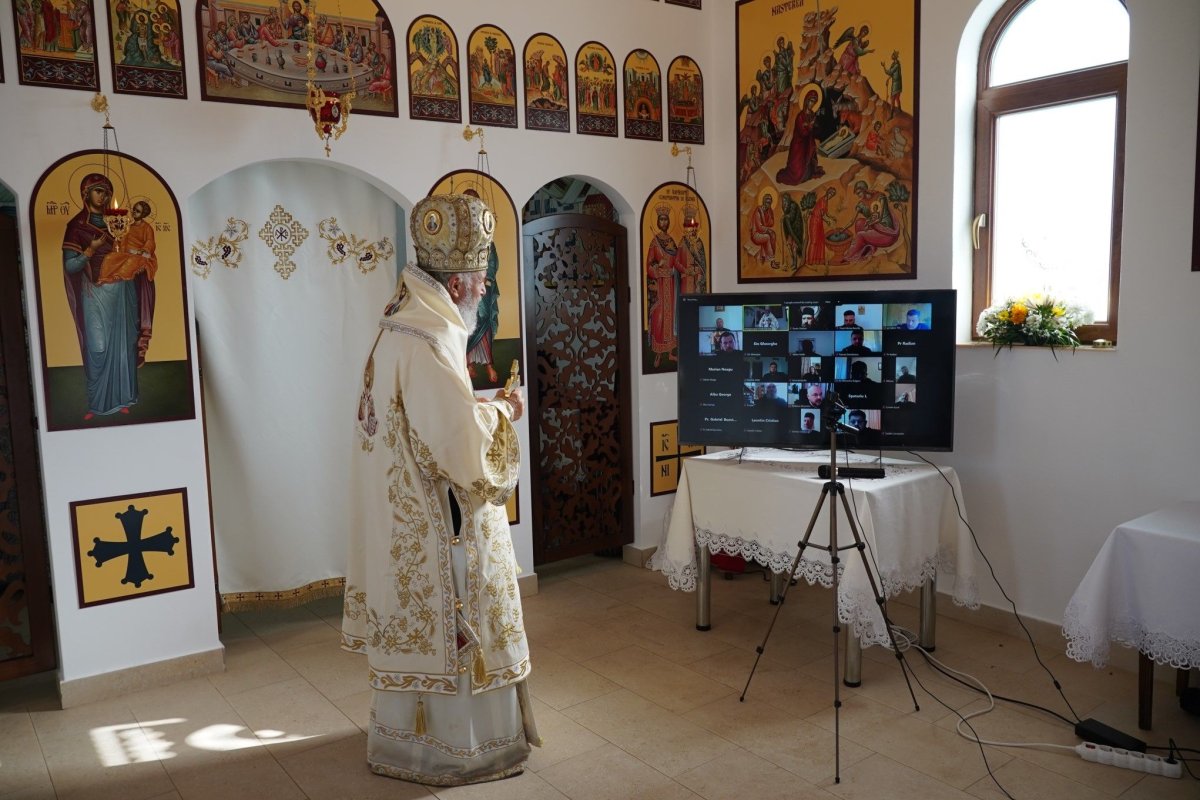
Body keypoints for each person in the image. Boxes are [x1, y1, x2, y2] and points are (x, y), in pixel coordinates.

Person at [342, 194, 539, 785]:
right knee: (455, 631)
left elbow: (425, 422)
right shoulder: (430, 340)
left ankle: (408, 741)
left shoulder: (401, 324)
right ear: (457, 285)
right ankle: (459, 751)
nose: (484, 295)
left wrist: (479, 408)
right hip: (438, 531)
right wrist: (505, 412)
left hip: (400, 521)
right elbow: (461, 452)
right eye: (480, 284)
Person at [61, 174, 156, 421]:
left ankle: (125, 398)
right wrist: (90, 249)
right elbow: (70, 266)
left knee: (124, 345)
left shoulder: (120, 225)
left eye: (106, 191)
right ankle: (96, 404)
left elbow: (134, 251)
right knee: (98, 346)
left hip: (123, 293)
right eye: (98, 191)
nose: (103, 196)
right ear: (86, 194)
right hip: (94, 293)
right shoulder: (77, 227)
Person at [645, 204, 680, 367]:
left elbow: (677, 261)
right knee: (659, 317)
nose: (664, 221)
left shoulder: (672, 241)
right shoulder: (654, 242)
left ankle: (671, 352)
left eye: (666, 218)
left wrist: (674, 268)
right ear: (658, 222)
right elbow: (648, 266)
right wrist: (658, 265)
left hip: (671, 284)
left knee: (671, 316)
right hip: (660, 285)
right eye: (661, 219)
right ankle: (658, 353)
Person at [776, 89, 823, 186]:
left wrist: (814, 125)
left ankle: (807, 174)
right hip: (799, 145)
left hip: (808, 144)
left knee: (809, 163)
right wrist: (810, 126)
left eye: (814, 102)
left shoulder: (812, 114)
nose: (812, 104)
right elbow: (802, 132)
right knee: (797, 172)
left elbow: (815, 131)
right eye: (811, 101)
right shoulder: (800, 116)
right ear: (806, 100)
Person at [806, 186, 836, 266]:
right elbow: (822, 215)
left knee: (820, 241)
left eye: (833, 194)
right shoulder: (822, 200)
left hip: (819, 223)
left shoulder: (826, 201)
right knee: (814, 241)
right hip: (815, 222)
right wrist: (829, 221)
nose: (831, 195)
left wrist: (832, 217)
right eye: (831, 193)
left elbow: (826, 213)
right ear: (828, 192)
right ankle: (810, 261)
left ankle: (818, 260)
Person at [745, 193, 777, 266]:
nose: (768, 204)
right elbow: (759, 227)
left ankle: (769, 257)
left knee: (773, 235)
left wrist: (770, 215)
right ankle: (772, 261)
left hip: (762, 232)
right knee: (768, 237)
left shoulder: (769, 211)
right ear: (763, 201)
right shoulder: (758, 210)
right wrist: (768, 230)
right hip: (756, 234)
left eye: (770, 202)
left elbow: (771, 224)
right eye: (767, 202)